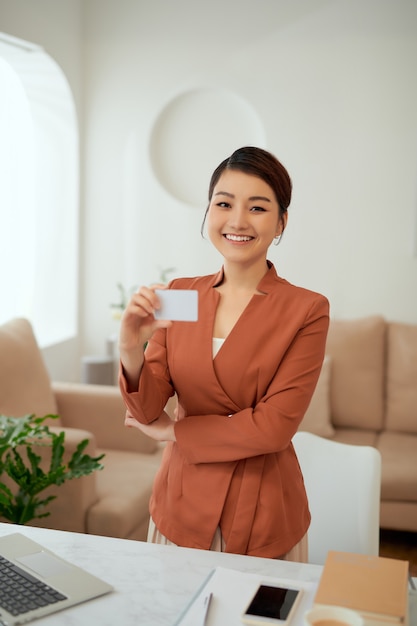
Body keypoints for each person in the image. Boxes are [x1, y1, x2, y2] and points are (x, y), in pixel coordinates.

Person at [118, 146, 329, 561]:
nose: (237, 221)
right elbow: (147, 409)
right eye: (224, 203)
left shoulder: (306, 309)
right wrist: (130, 346)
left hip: (261, 510)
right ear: (208, 211)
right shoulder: (181, 294)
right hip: (181, 501)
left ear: (281, 222)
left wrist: (174, 432)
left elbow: (273, 428)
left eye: (257, 207)